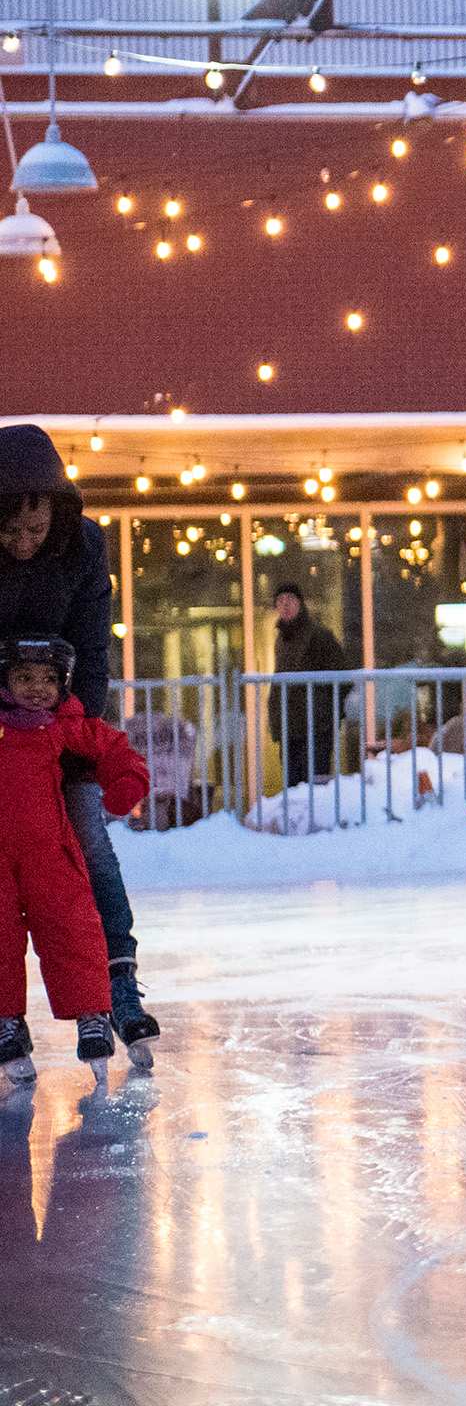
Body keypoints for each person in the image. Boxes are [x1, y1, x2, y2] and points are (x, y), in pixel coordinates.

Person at [0, 423, 161, 1061]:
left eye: (34, 528)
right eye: (7, 531)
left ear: (55, 510)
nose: (22, 543)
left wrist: (81, 740)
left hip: (60, 722)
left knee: (88, 837)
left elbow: (93, 644)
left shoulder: (82, 548)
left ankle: (118, 980)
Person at [0, 636, 151, 1085]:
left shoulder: (59, 726)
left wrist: (125, 782)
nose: (37, 689)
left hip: (50, 851)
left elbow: (114, 748)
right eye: (24, 678)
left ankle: (92, 1011)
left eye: (48, 680)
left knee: (74, 927)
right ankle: (6, 1019)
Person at [268, 583, 350, 789]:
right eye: (280, 601)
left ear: (300, 603)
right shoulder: (282, 640)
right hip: (290, 725)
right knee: (294, 785)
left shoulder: (319, 636)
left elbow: (342, 676)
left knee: (313, 783)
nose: (285, 605)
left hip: (315, 726)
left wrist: (326, 711)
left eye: (290, 600)